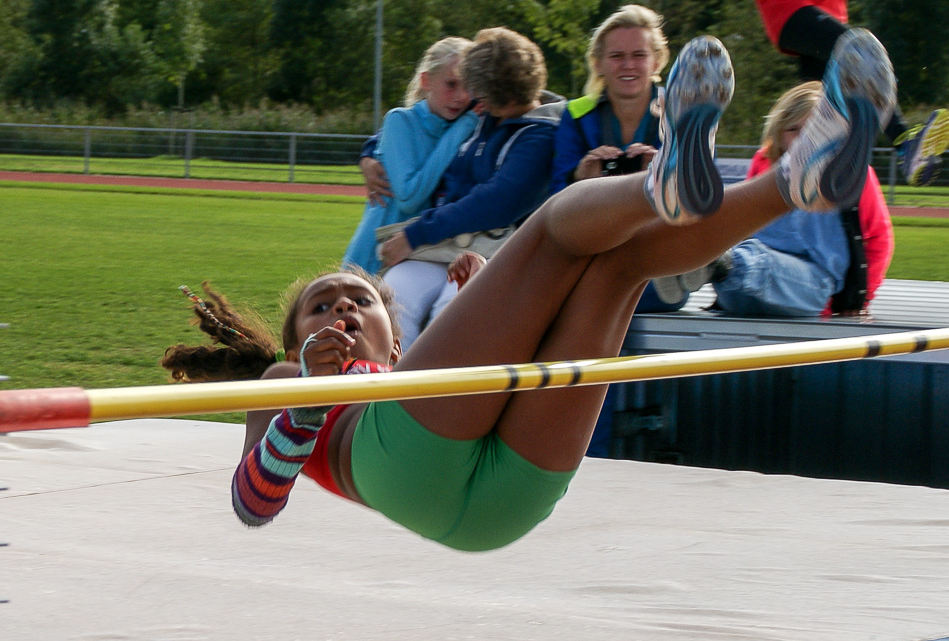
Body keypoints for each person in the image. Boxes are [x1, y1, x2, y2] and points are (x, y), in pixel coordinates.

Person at [164, 31, 894, 551]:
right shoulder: (284, 376)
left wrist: (479, 302)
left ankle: (793, 183)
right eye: (321, 307)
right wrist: (305, 404)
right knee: (548, 228)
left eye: (357, 298)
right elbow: (252, 505)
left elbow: (464, 374)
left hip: (499, 508)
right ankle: (661, 182)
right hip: (398, 462)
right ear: (297, 340)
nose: (342, 310)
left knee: (619, 267)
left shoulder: (415, 362)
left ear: (396, 325)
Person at [377, 27, 563, 351]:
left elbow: (496, 202)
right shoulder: (491, 114)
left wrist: (416, 234)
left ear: (500, 96)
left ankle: (430, 399)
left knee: (449, 318)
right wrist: (370, 153)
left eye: (481, 95)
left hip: (496, 254)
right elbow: (421, 119)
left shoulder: (541, 135)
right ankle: (378, 395)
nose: (473, 101)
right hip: (447, 247)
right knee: (390, 302)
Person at [657, 81, 894, 318]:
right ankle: (708, 264)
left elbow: (879, 239)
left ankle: (709, 261)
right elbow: (741, 224)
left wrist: (859, 299)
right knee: (746, 254)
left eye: (815, 130)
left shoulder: (853, 175)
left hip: (810, 291)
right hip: (741, 288)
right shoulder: (763, 164)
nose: (805, 140)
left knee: (763, 260)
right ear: (779, 135)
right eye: (794, 130)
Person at [549, 4, 687, 313]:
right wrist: (580, 181)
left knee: (607, 288)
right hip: (597, 239)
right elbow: (555, 199)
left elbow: (699, 189)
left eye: (639, 55)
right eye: (616, 56)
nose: (628, 66)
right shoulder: (576, 113)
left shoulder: (681, 113)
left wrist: (665, 170)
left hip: (656, 240)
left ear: (656, 61)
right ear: (598, 63)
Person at [753, 0, 949, 186]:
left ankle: (817, 191)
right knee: (861, 53)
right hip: (792, 9)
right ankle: (905, 145)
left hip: (825, 14)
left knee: (818, 116)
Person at [342, 37, 477, 274]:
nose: (462, 96)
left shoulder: (469, 123)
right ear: (426, 80)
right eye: (451, 84)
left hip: (424, 260)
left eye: (469, 86)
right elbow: (409, 196)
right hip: (374, 258)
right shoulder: (400, 120)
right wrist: (461, 129)